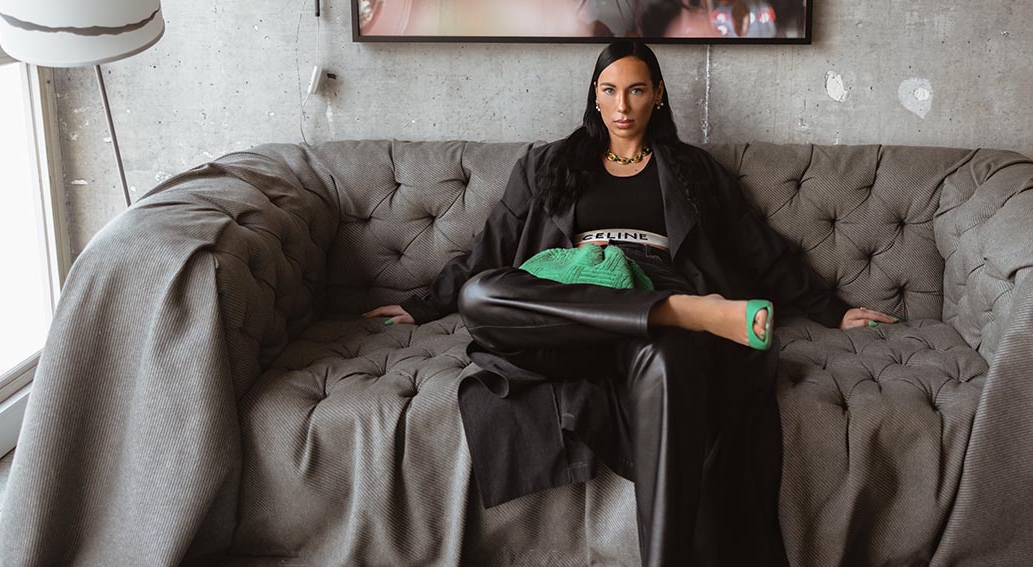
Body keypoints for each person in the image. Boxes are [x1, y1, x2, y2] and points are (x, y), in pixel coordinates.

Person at [363, 40, 897, 566]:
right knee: (479, 294)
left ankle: (673, 314)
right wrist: (423, 304)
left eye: (636, 90)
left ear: (657, 95)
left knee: (670, 363)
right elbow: (490, 248)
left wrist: (834, 309)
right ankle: (688, 311)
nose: (622, 106)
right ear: (595, 96)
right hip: (574, 306)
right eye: (610, 90)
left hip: (655, 287)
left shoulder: (692, 170)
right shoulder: (548, 165)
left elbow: (757, 246)